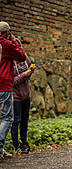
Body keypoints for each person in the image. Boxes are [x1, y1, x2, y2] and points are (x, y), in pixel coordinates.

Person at [0, 21, 26, 159]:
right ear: (7, 33)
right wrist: (14, 42)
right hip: (3, 85)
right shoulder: (6, 44)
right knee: (7, 118)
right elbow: (21, 56)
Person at [11, 38, 36, 154]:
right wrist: (25, 74)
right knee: (16, 120)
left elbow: (30, 66)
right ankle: (16, 145)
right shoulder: (10, 61)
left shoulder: (24, 57)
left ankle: (24, 142)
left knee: (25, 120)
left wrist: (31, 70)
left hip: (26, 94)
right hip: (15, 95)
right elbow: (13, 81)